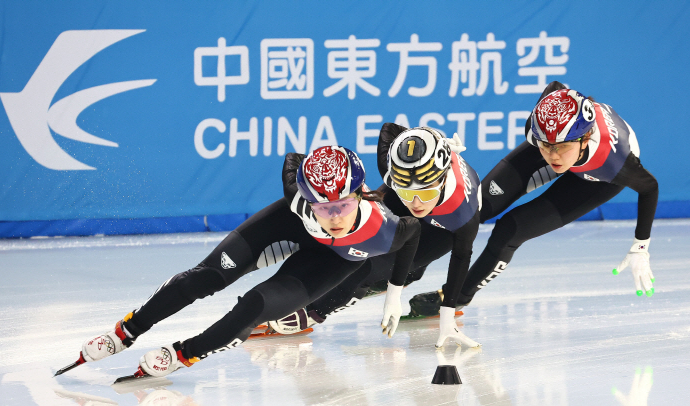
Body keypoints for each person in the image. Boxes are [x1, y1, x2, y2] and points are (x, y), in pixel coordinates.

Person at [58, 146, 421, 379]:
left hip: (331, 261)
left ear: (359, 194)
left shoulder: (384, 230)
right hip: (288, 228)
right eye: (323, 207)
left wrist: (394, 293)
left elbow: (414, 233)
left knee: (255, 306)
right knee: (204, 279)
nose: (334, 217)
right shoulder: (297, 198)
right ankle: (128, 330)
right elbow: (294, 160)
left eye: (343, 204)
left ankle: (185, 353)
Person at [413, 81, 658, 312]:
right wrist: (550, 144)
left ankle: (455, 298)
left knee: (511, 230)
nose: (553, 155)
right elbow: (555, 88)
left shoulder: (614, 162)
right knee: (475, 208)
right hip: (562, 138)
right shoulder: (540, 131)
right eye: (545, 146)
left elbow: (649, 187)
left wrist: (640, 246)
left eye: (561, 147)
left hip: (596, 181)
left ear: (584, 140)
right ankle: (412, 264)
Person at [269, 126, 483, 349]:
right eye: (407, 189)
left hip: (442, 230)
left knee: (369, 267)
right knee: (361, 238)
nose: (416, 203)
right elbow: (389, 130)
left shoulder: (462, 214)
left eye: (425, 192)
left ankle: (317, 310)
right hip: (401, 200)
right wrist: (430, 139)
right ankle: (402, 274)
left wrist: (447, 319)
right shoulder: (398, 170)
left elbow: (461, 258)